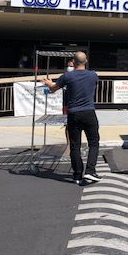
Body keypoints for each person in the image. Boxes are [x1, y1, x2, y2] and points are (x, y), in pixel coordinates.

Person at [42, 51, 100, 185]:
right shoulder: (93, 76)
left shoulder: (67, 76)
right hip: (89, 112)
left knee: (75, 145)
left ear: (73, 62)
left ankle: (77, 175)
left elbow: (53, 89)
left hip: (73, 113)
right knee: (94, 142)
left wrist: (49, 83)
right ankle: (90, 171)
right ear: (85, 61)